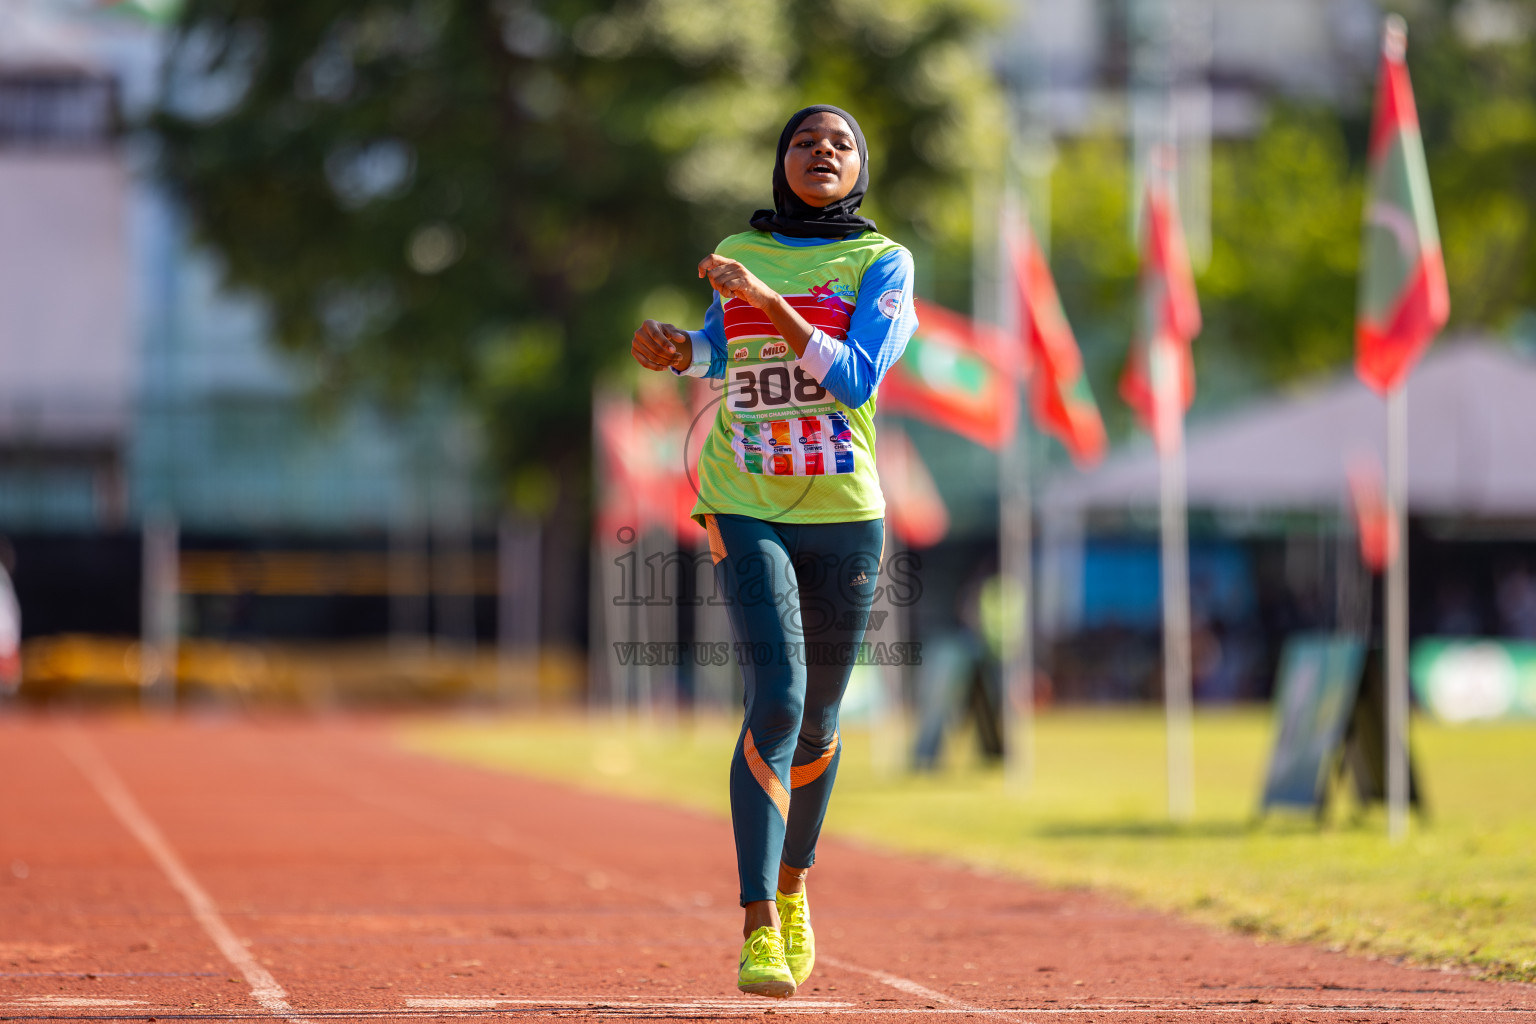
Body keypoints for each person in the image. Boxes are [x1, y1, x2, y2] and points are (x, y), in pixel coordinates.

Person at [631, 104, 917, 998]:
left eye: (839, 143)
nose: (820, 152)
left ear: (859, 166)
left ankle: (796, 887)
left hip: (843, 508)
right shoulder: (736, 251)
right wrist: (675, 349)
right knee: (779, 696)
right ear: (779, 162)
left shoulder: (883, 263)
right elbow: (721, 352)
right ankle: (758, 925)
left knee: (824, 718)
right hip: (742, 499)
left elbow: (860, 376)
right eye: (803, 141)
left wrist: (772, 304)